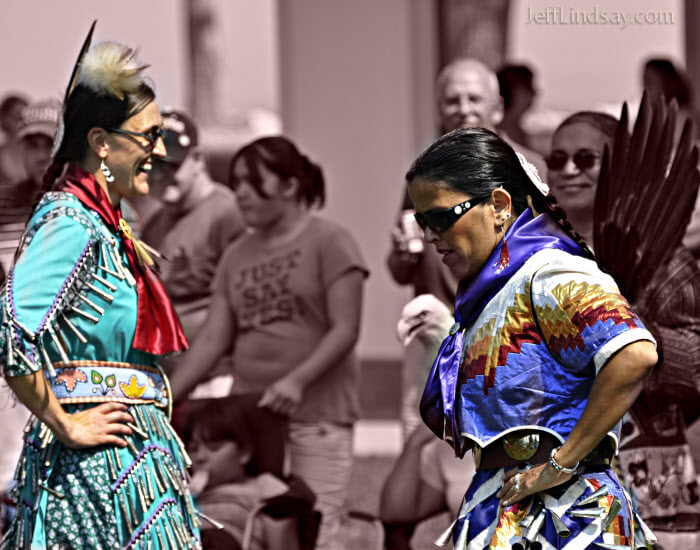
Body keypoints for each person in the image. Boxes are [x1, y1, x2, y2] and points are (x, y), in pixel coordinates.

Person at [410, 127, 658, 548]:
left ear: (500, 206)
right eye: (421, 221)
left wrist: (559, 465)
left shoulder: (547, 272)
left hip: (567, 517)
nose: (430, 235)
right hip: (504, 504)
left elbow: (634, 354)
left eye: (440, 218)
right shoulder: (489, 290)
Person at [0, 37, 201, 549]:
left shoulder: (106, 224)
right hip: (94, 473)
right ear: (102, 142)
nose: (158, 150)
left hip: (124, 460)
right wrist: (66, 423)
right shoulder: (70, 221)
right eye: (148, 136)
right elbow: (10, 329)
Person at [171, 135, 368, 550]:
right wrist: (166, 397)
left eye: (251, 181)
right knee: (257, 528)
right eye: (236, 181)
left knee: (316, 529)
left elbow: (345, 330)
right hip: (252, 418)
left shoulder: (331, 242)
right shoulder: (236, 255)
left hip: (318, 415)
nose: (239, 192)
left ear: (289, 186)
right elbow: (211, 342)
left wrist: (295, 382)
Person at [547, 111, 700, 547]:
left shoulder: (667, 264)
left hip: (647, 484)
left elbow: (697, 366)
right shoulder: (530, 253)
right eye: (557, 159)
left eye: (585, 158)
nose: (569, 170)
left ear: (618, 169)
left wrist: (629, 328)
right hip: (552, 474)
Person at [141, 108, 245, 396]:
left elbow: (240, 310)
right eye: (149, 167)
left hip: (216, 383)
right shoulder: (154, 225)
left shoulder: (229, 214)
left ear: (197, 159)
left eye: (168, 165)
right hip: (166, 382)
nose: (158, 176)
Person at [178, 395, 314, 550]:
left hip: (229, 542)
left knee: (216, 540)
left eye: (214, 447)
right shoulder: (182, 491)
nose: (200, 457)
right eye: (193, 449)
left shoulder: (265, 487)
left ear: (244, 453)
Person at [0, 99, 61, 281]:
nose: (41, 156)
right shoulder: (3, 203)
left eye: (50, 144)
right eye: (33, 146)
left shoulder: (92, 204)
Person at [496, 63, 537, 151]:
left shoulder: (517, 132)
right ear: (514, 91)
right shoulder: (498, 134)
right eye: (528, 87)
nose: (534, 93)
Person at [0, 94, 29, 185]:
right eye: (19, 118)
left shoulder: (38, 154)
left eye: (28, 118)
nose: (24, 123)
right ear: (5, 119)